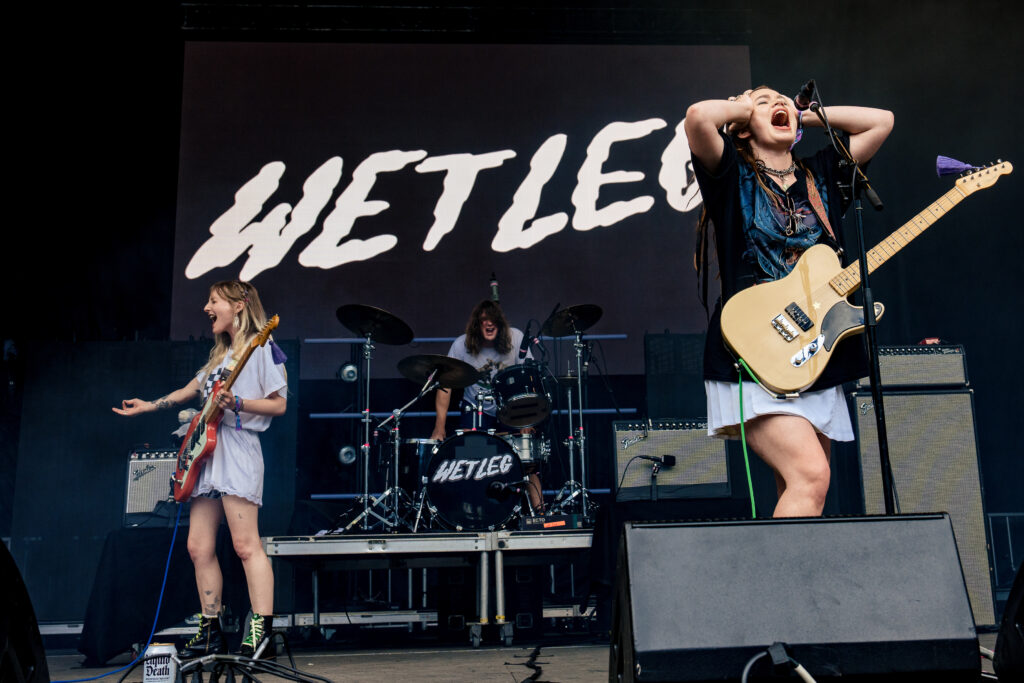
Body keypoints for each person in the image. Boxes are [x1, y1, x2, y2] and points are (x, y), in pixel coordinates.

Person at [684, 86, 893, 518]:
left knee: (803, 491)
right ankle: (771, 587)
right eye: (764, 101)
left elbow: (881, 120)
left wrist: (803, 114)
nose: (778, 103)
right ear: (741, 130)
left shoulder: (822, 173)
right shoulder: (730, 173)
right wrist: (747, 109)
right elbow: (698, 117)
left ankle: (791, 583)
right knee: (811, 476)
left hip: (815, 350)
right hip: (755, 347)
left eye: (782, 98)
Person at [113, 280, 287, 659]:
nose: (206, 308)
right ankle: (209, 631)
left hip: (237, 450)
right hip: (205, 456)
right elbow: (191, 389)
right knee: (198, 546)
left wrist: (238, 402)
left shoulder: (260, 346)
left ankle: (261, 631)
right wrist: (150, 405)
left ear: (239, 305)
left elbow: (279, 405)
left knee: (245, 545)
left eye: (213, 301)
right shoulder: (220, 355)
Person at [430, 299, 544, 513]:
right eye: (483, 321)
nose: (488, 324)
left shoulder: (516, 338)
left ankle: (540, 513)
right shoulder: (461, 345)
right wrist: (439, 426)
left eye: (493, 320)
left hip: (511, 411)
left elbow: (529, 380)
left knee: (527, 463)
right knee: (468, 464)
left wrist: (527, 420)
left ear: (500, 324)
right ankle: (469, 512)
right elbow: (445, 386)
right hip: (475, 409)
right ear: (476, 325)